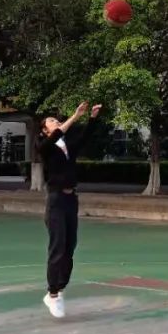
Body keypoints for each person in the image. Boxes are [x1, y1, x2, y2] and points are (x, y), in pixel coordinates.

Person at [38, 101, 102, 318]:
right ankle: (53, 293)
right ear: (45, 130)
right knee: (57, 247)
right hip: (55, 200)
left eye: (56, 119)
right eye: (51, 121)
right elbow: (57, 134)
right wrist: (75, 116)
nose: (56, 121)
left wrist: (92, 118)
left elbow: (84, 138)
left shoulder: (66, 147)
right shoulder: (45, 147)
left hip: (71, 199)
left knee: (70, 246)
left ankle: (60, 287)